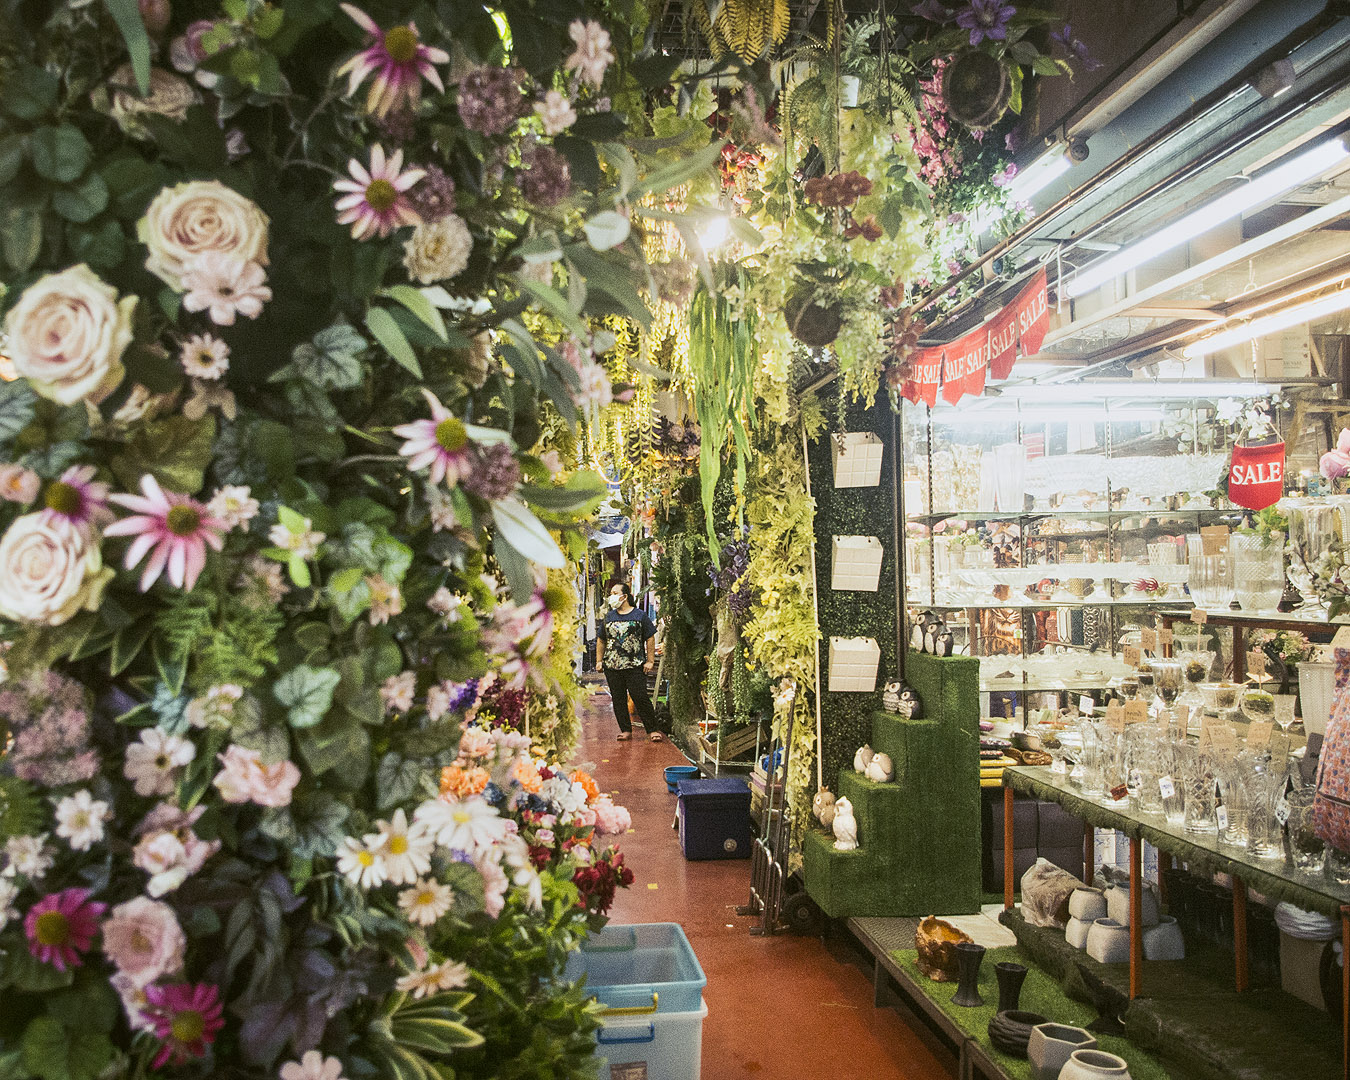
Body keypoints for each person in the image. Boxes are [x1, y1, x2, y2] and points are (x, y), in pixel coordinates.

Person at [596, 579, 663, 742]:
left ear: (624, 596)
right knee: (618, 698)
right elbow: (601, 640)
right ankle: (625, 729)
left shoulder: (639, 615)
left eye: (614, 593)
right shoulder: (609, 617)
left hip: (634, 665)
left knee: (640, 696)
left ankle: (652, 729)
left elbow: (650, 637)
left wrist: (650, 660)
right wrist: (599, 660)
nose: (611, 596)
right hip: (612, 666)